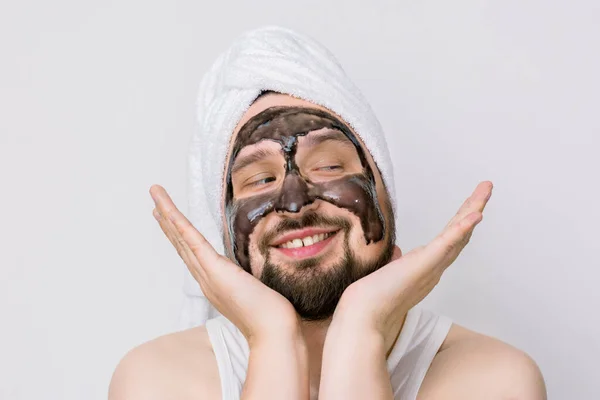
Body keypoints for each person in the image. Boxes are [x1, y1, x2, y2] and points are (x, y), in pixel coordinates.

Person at [109, 27, 546, 400]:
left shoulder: (492, 379)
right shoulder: (160, 380)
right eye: (260, 180)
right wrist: (272, 340)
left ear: (384, 192)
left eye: (330, 166)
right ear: (221, 225)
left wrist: (361, 329)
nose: (295, 202)